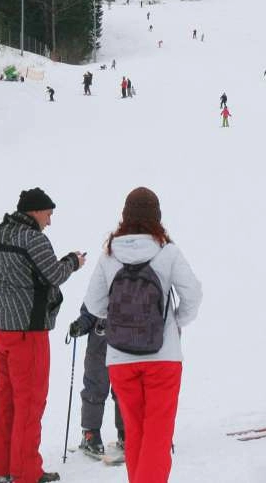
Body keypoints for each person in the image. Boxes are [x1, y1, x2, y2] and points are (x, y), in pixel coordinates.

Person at [84, 187, 202, 483]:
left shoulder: (109, 254)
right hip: (163, 357)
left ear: (125, 216)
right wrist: (174, 323)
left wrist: (119, 319)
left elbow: (94, 304)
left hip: (120, 359)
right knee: (157, 436)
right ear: (156, 217)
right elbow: (193, 294)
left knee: (134, 433)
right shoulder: (167, 251)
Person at [0, 188, 86, 483]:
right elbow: (54, 274)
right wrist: (73, 261)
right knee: (29, 402)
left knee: (4, 398)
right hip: (27, 333)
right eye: (48, 214)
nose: (49, 221)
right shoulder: (33, 238)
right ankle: (25, 471)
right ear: (36, 211)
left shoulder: (0, 233)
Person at [68, 305, 125, 460]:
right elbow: (89, 313)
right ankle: (91, 433)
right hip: (99, 351)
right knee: (95, 390)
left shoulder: (134, 290)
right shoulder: (100, 290)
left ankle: (126, 432)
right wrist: (80, 326)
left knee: (124, 391)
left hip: (124, 350)